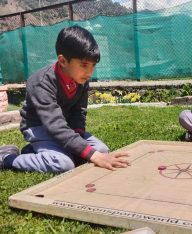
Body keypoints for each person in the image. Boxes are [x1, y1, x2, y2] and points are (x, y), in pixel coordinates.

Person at [0, 25, 130, 172]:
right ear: (62, 61)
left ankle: (35, 151)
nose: (89, 72)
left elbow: (79, 111)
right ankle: (8, 158)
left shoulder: (81, 79)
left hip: (64, 127)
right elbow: (54, 124)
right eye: (84, 65)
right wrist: (88, 153)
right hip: (39, 127)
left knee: (102, 150)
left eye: (93, 65)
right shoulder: (41, 82)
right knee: (63, 164)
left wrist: (78, 139)